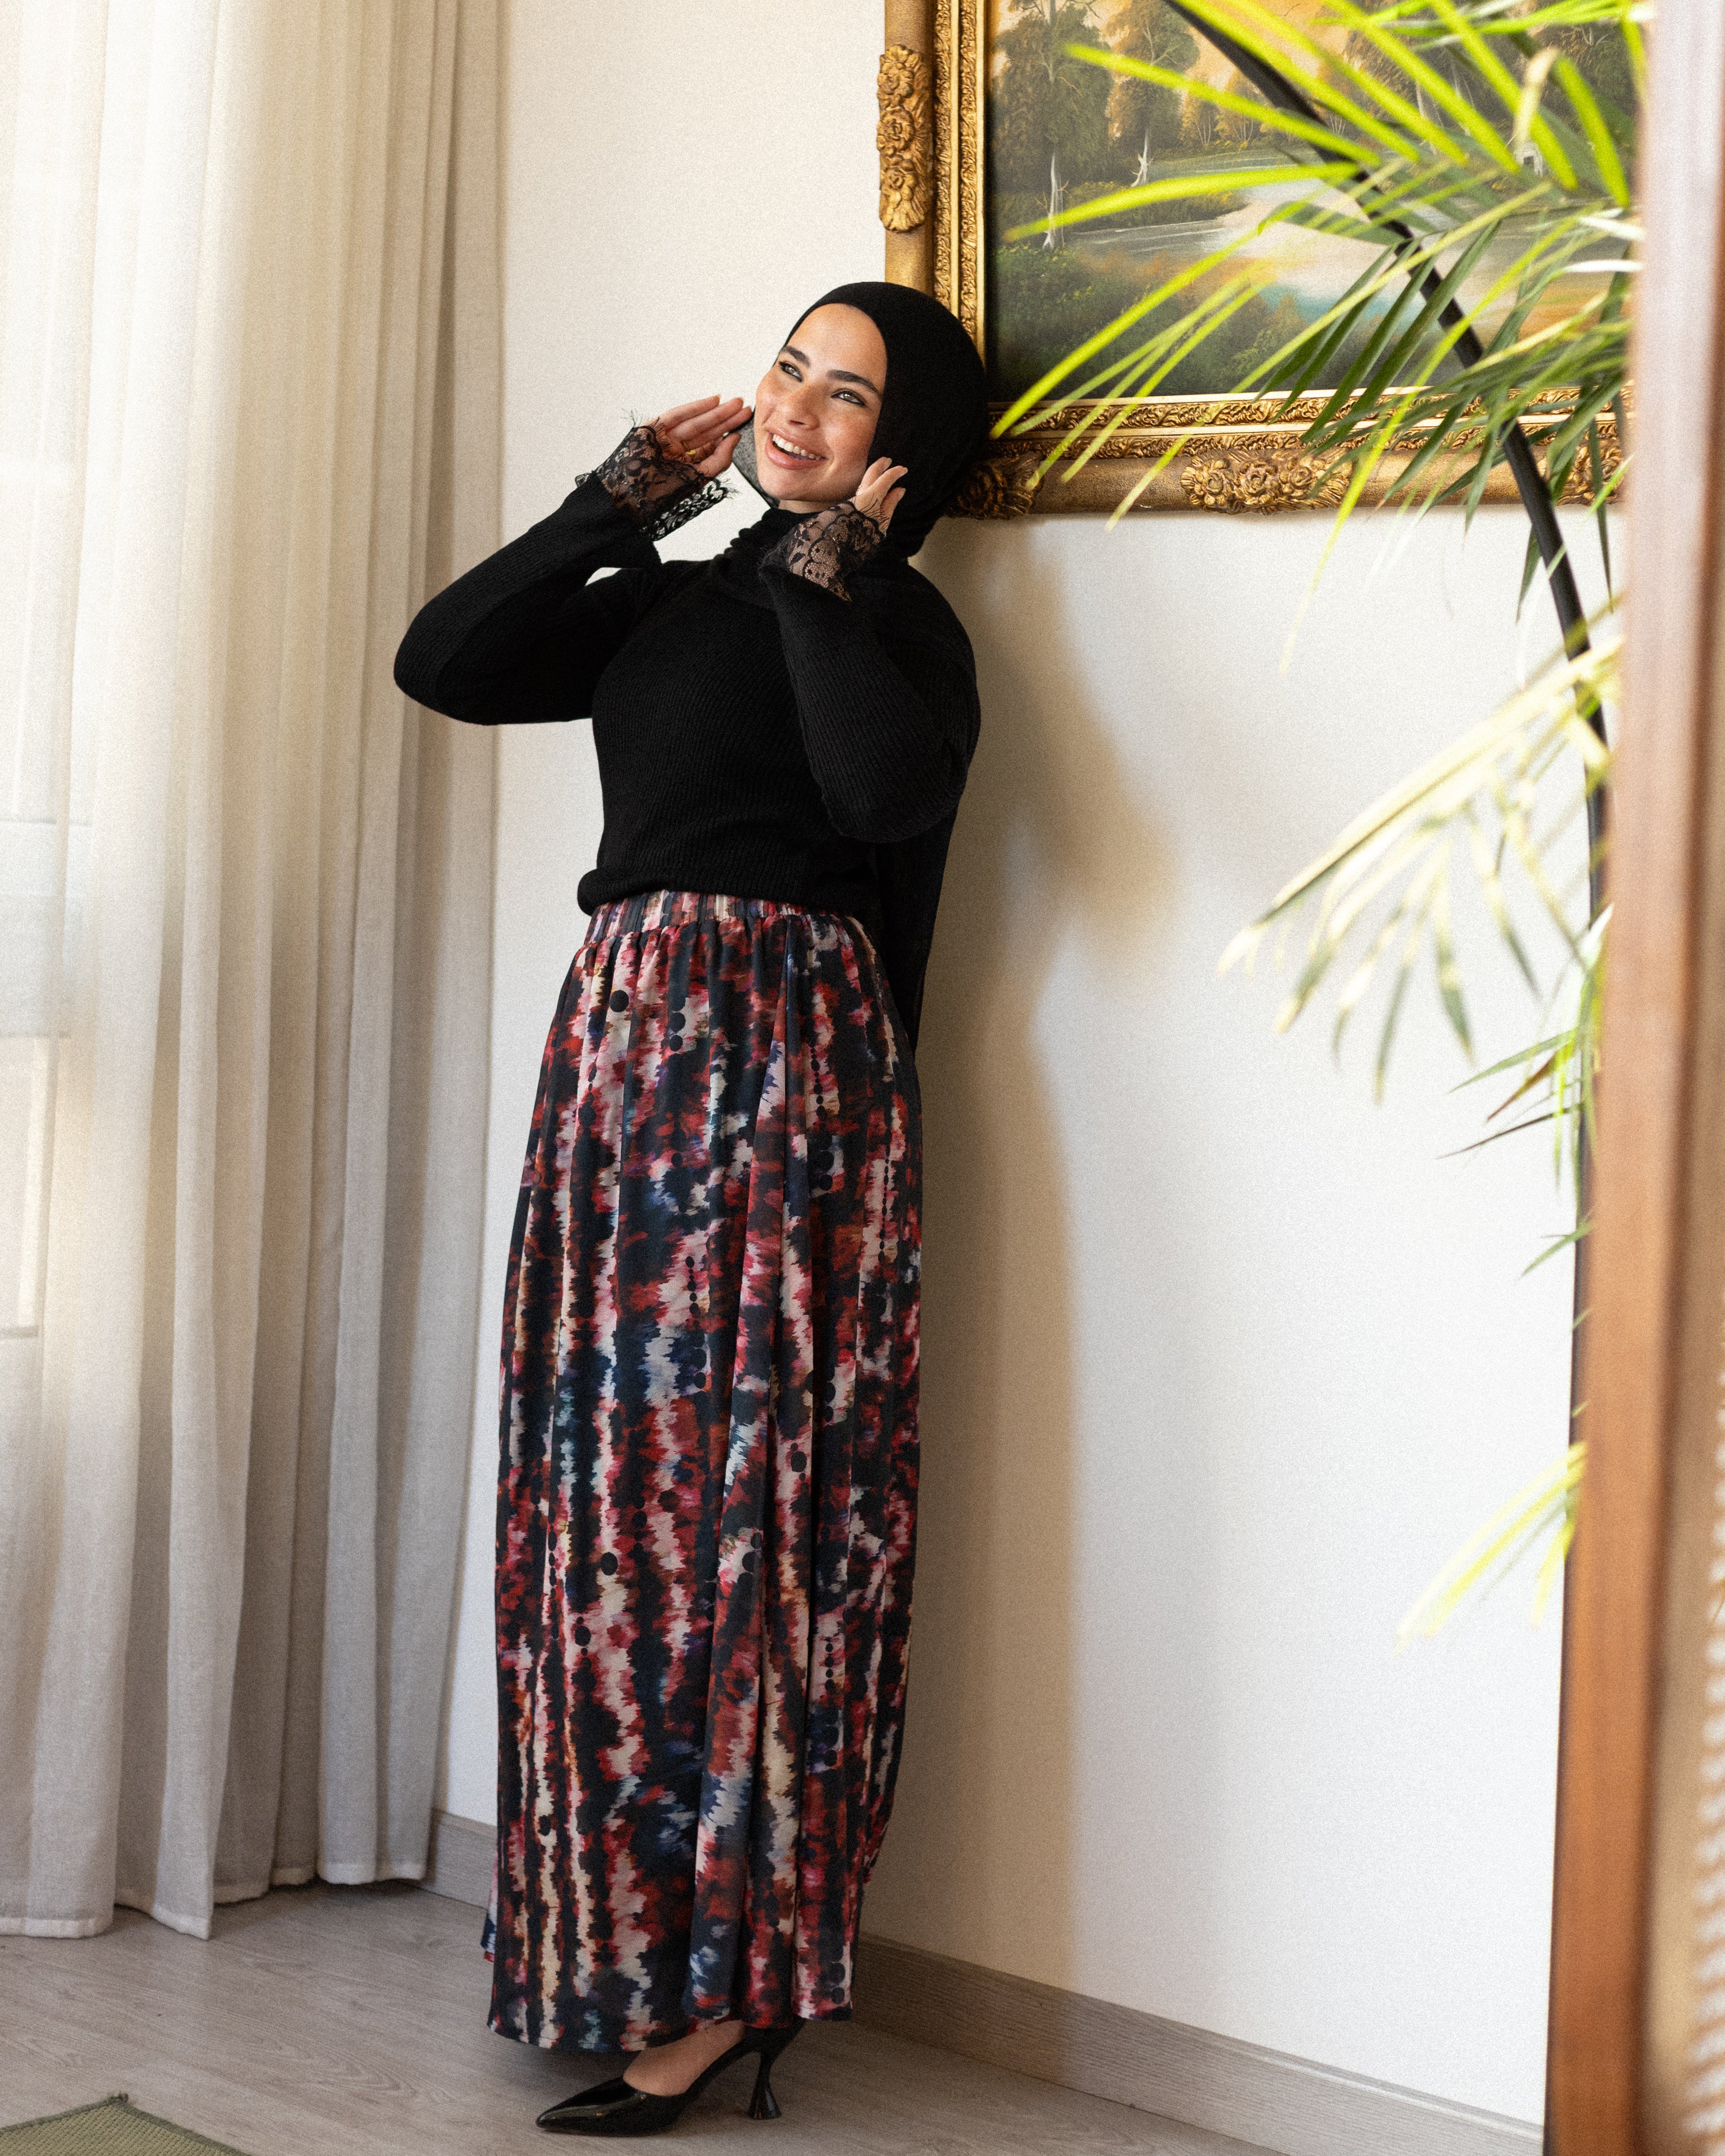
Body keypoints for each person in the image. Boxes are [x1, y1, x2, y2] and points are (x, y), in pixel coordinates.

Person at [394, 280, 988, 2137]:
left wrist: (818, 578)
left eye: (847, 394)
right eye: (788, 366)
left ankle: (731, 1986)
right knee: (607, 1516)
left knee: (747, 1525)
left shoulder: (899, 629)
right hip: (622, 1063)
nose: (795, 406)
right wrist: (611, 505)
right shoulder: (668, 593)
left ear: (904, 456)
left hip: (788, 1087)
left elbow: (878, 794)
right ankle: (613, 1946)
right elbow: (443, 659)